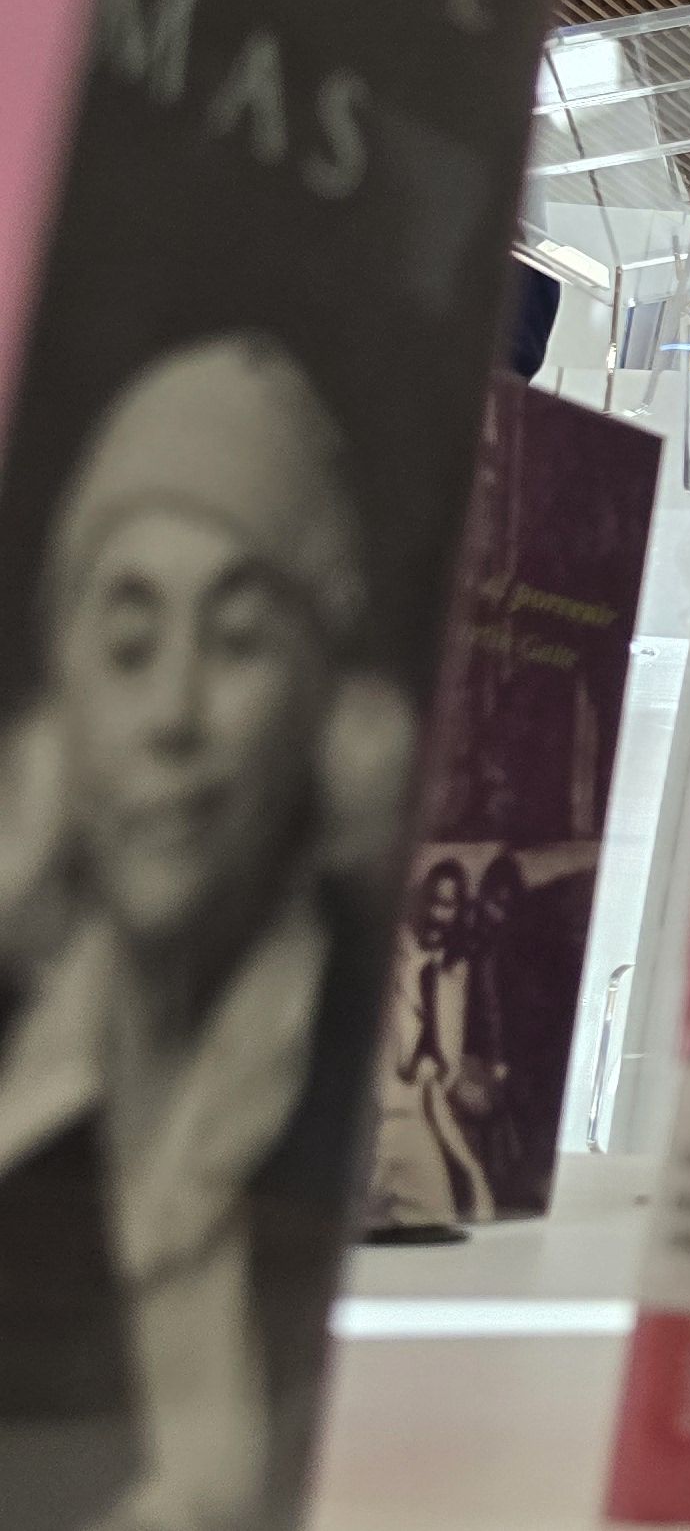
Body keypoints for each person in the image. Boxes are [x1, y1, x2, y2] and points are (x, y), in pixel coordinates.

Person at [0, 334, 422, 1531]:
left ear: (326, 712)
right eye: (129, 646)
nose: (173, 715)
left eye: (238, 642)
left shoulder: (337, 1059)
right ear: (65, 693)